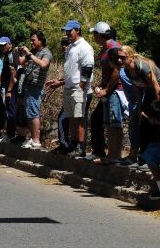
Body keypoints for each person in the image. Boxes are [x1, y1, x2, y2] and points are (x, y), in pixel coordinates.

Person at [46, 20, 94, 157]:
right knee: (72, 117)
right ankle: (74, 144)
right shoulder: (71, 47)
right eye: (66, 31)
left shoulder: (84, 47)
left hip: (79, 89)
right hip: (69, 87)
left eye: (70, 31)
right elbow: (72, 70)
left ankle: (81, 147)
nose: (67, 33)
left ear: (77, 30)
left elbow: (88, 67)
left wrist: (81, 86)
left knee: (79, 118)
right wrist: (61, 82)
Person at [89, 21, 123, 163]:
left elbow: (117, 70)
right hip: (107, 91)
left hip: (115, 91)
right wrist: (100, 86)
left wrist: (107, 89)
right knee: (101, 121)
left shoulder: (114, 48)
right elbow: (107, 73)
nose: (93, 37)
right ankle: (103, 152)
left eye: (94, 34)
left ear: (99, 35)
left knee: (114, 123)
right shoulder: (104, 49)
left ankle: (114, 155)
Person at [16, 30, 52, 149]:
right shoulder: (34, 52)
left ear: (40, 40)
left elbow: (43, 64)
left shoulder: (46, 52)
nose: (31, 42)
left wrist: (30, 54)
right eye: (30, 40)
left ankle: (36, 140)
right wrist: (17, 52)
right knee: (29, 113)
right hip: (29, 86)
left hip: (37, 87)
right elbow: (20, 62)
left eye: (33, 40)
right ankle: (32, 138)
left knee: (33, 113)